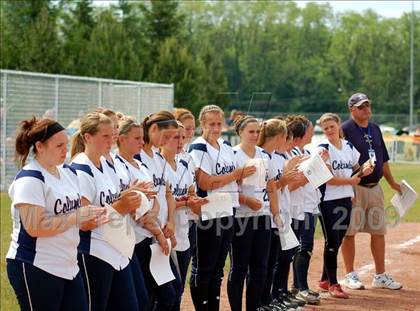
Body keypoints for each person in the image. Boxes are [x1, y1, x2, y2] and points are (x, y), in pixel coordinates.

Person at [6, 117, 105, 311]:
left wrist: (90, 215)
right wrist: (77, 217)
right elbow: (35, 227)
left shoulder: (67, 172)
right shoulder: (30, 178)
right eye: (59, 145)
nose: (65, 150)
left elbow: (75, 215)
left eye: (66, 144)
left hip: (68, 264)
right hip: (36, 264)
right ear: (40, 146)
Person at [70, 112, 141, 310]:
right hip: (93, 250)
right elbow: (84, 221)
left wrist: (134, 194)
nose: (112, 140)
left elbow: (115, 199)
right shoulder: (80, 168)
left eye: (112, 135)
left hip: (116, 247)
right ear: (87, 137)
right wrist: (121, 206)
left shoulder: (106, 164)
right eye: (105, 136)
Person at [188, 105, 255, 311]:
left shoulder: (225, 145)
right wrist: (235, 175)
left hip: (229, 207)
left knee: (218, 266)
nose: (216, 128)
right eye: (211, 124)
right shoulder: (198, 147)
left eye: (219, 123)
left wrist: (244, 175)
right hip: (210, 208)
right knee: (206, 266)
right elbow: (205, 183)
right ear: (202, 125)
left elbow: (234, 177)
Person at [341, 92, 403, 290]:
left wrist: (392, 183)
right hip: (355, 187)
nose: (366, 110)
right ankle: (350, 274)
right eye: (361, 107)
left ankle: (380, 275)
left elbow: (383, 160)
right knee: (350, 232)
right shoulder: (345, 129)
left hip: (375, 187)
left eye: (367, 105)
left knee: (378, 231)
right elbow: (341, 162)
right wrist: (356, 174)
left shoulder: (375, 128)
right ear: (352, 109)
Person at [317, 113, 373, 298]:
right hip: (327, 201)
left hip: (345, 199)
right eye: (325, 128)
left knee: (339, 239)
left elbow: (356, 169)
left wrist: (365, 169)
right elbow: (328, 179)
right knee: (332, 241)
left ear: (338, 125)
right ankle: (333, 284)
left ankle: (325, 279)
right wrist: (351, 182)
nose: (329, 131)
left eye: (332, 126)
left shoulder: (348, 146)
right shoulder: (322, 148)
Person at [227, 116, 279, 311]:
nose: (255, 135)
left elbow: (272, 186)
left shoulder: (264, 155)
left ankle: (253, 307)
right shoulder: (233, 155)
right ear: (240, 132)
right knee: (239, 268)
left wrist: (276, 213)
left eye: (258, 131)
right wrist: (246, 200)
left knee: (260, 268)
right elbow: (228, 188)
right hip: (242, 218)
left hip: (263, 217)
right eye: (251, 131)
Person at [136, 111, 183, 310]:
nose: (168, 141)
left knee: (174, 290)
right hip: (143, 235)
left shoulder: (157, 157)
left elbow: (168, 194)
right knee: (158, 294)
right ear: (153, 129)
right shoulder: (137, 158)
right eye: (166, 136)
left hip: (160, 234)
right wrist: (158, 231)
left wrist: (171, 222)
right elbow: (142, 204)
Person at [160, 121, 208, 308]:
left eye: (182, 137)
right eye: (175, 137)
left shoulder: (185, 163)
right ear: (163, 139)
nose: (180, 141)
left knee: (178, 290)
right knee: (166, 292)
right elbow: (165, 201)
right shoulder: (158, 164)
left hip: (184, 231)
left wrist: (195, 203)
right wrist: (186, 202)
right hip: (165, 232)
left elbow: (191, 194)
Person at [286, 115, 321, 305]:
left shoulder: (307, 151)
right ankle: (302, 287)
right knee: (302, 247)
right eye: (310, 128)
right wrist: (311, 173)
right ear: (302, 132)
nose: (313, 131)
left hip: (310, 205)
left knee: (305, 248)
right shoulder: (292, 154)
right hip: (297, 207)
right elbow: (290, 185)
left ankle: (297, 286)